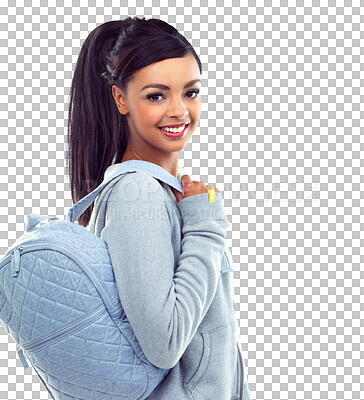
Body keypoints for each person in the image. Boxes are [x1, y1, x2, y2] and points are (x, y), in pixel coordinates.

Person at [67, 16, 251, 400]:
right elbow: (165, 343)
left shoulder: (159, 192)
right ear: (121, 99)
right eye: (156, 95)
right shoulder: (138, 192)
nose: (179, 111)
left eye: (191, 92)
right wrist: (204, 226)